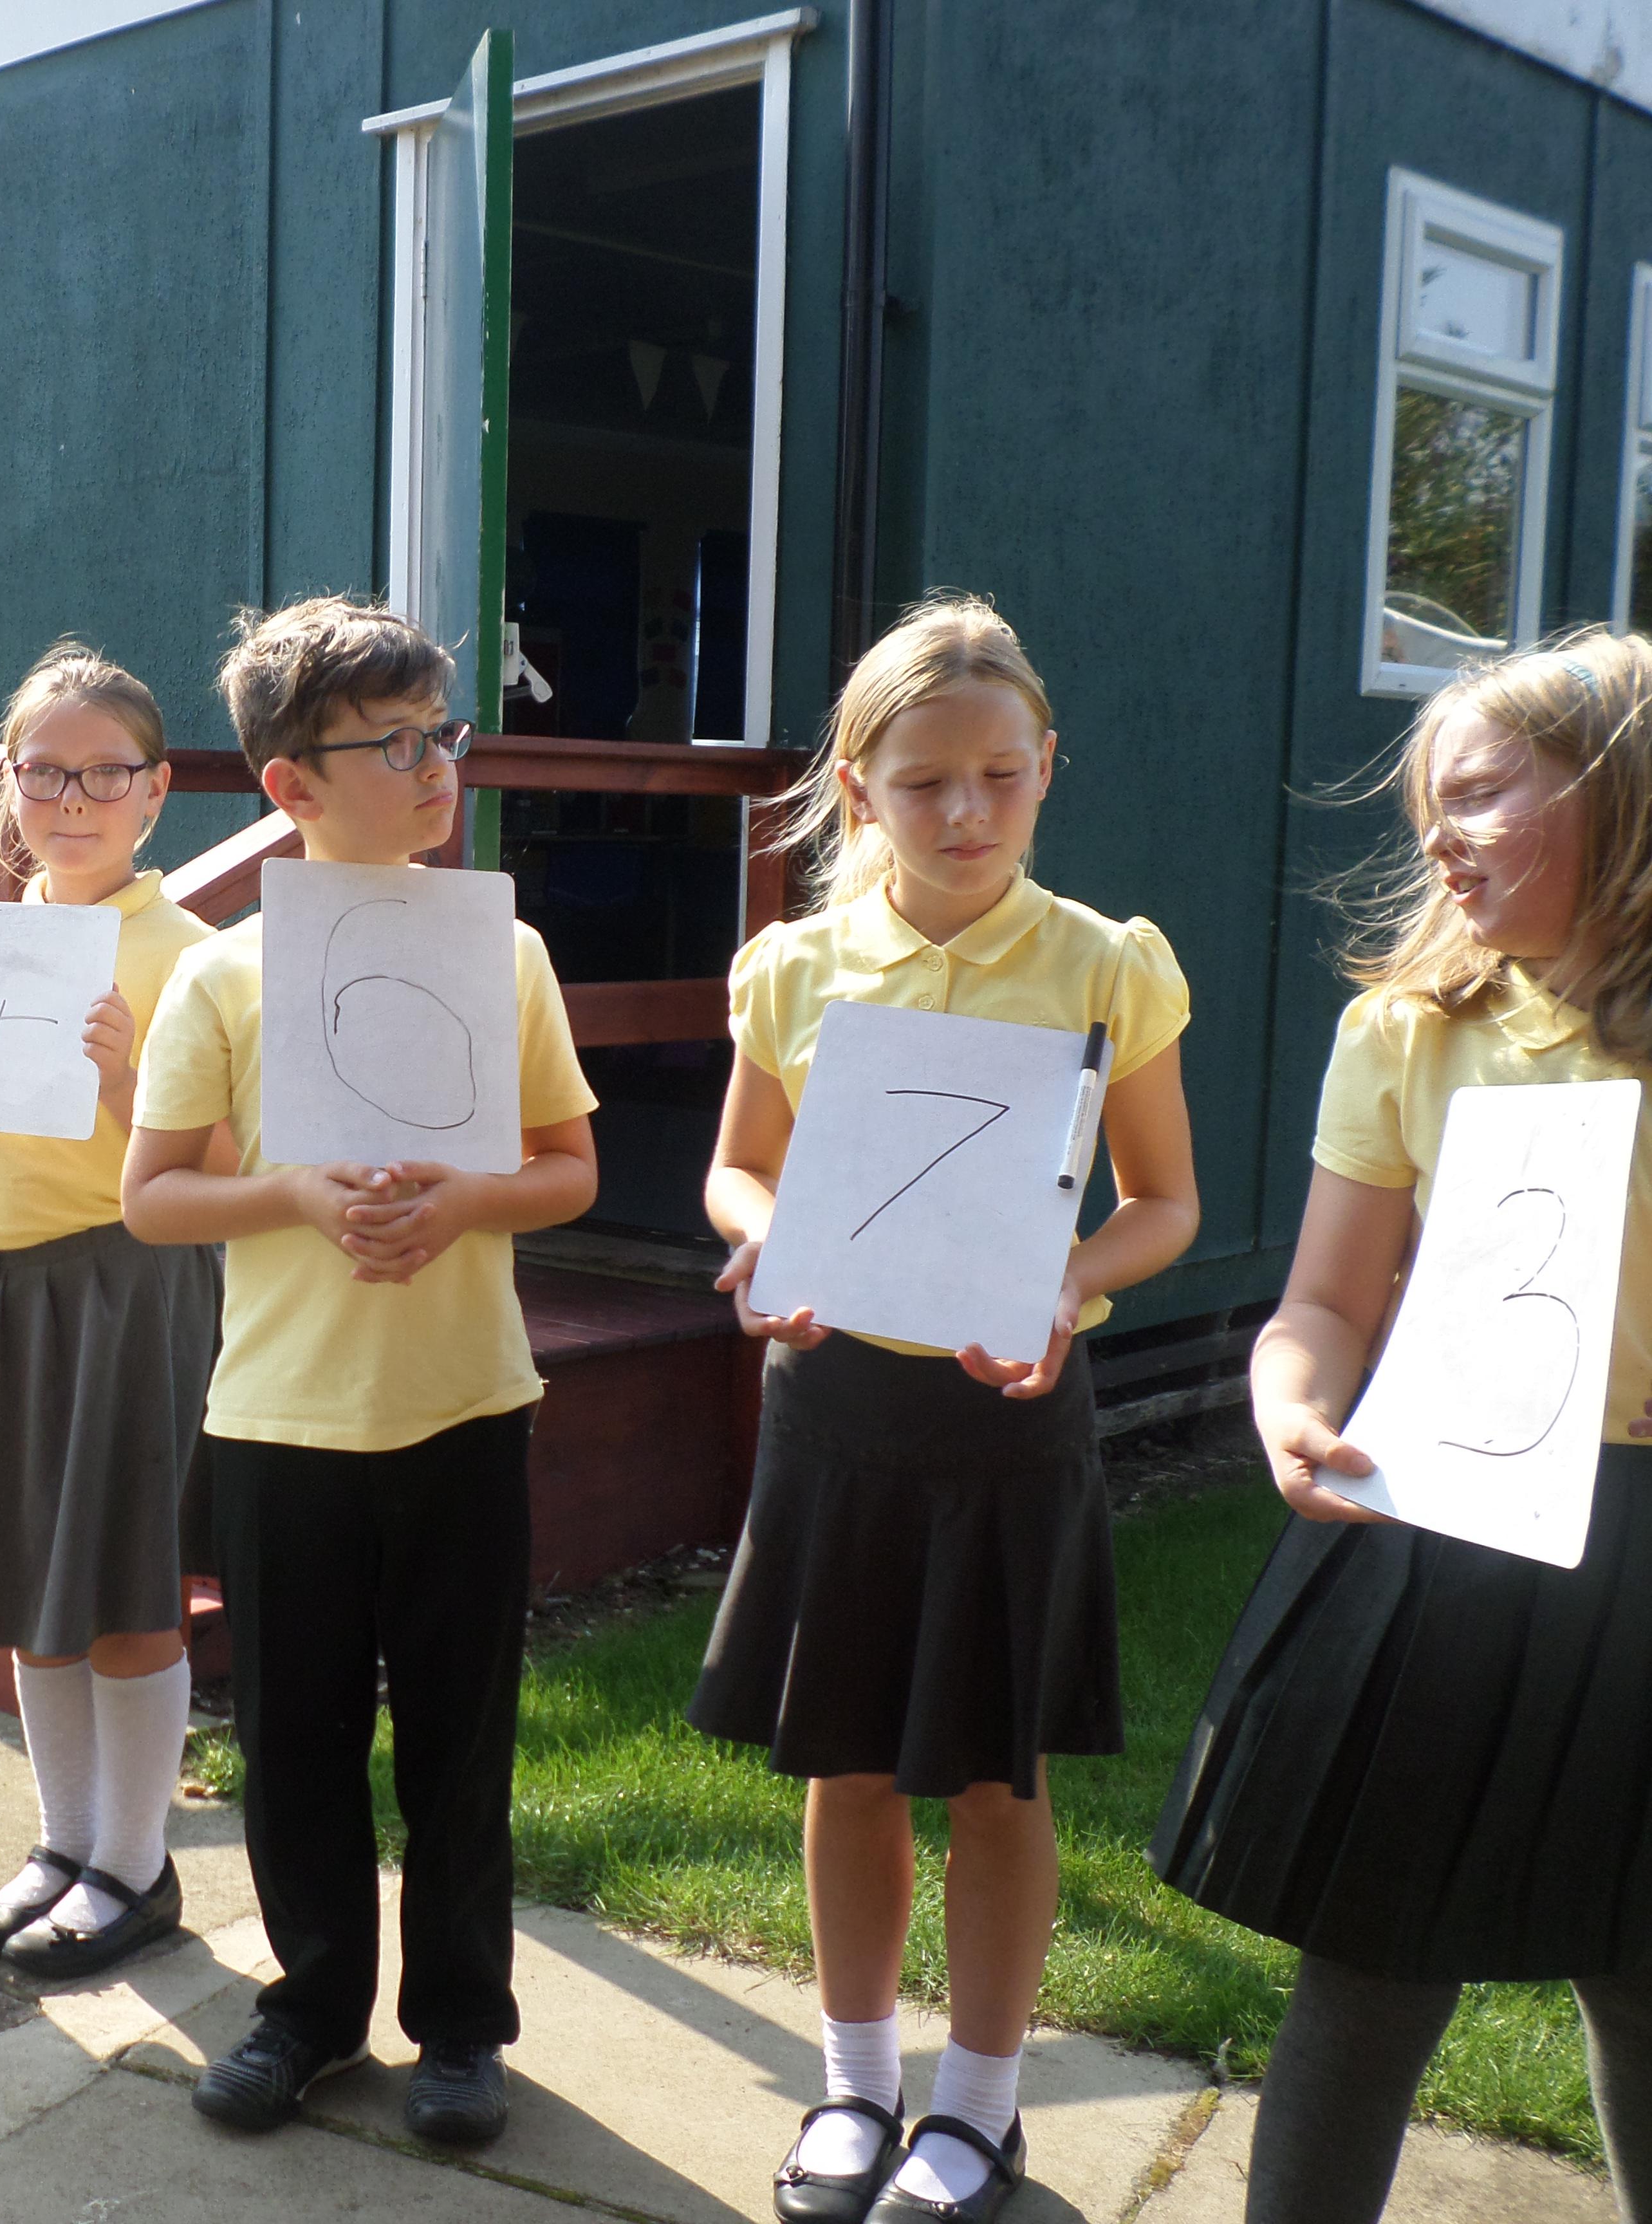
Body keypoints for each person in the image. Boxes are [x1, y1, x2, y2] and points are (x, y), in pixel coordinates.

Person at [689, 594, 1198, 2224]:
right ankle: (855, 2089)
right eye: (922, 783)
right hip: (836, 1412)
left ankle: (979, 2112)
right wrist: (761, 1237)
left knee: (996, 1779)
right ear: (857, 789)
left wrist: (1069, 1283)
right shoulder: (795, 967)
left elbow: (1165, 1202)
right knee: (845, 1765)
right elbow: (737, 1165)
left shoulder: (1106, 964)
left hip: (1009, 1423)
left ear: (1048, 766)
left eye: (999, 775)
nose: (965, 812)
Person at [1147, 628, 1652, 2224]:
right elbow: (1323, 1303)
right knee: (1372, 1966)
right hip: (1446, 1542)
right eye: (1433, 801)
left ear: (1624, 794)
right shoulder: (1409, 1032)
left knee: (1642, 1975)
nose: (1441, 833)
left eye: (1485, 794)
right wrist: (1290, 1405)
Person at [122, 595, 600, 2148]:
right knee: (297, 1744)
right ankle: (312, 2009)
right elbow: (154, 1196)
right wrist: (296, 1196)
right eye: (393, 745)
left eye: (440, 732)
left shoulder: (504, 951)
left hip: (465, 1405)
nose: (435, 764)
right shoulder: (223, 977)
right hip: (282, 1423)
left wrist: (466, 1201)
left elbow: (571, 1168)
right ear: (292, 786)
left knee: (462, 1745)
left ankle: (461, 2026)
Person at [0, 643, 221, 1978]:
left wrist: (130, 1081)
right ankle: (67, 1844)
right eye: (43, 772)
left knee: (124, 1593)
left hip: (122, 1292)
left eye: (104, 774)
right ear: (7, 788)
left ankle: (135, 1864)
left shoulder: (195, 957)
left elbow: (228, 1170)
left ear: (156, 791)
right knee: (30, 1589)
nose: (72, 799)